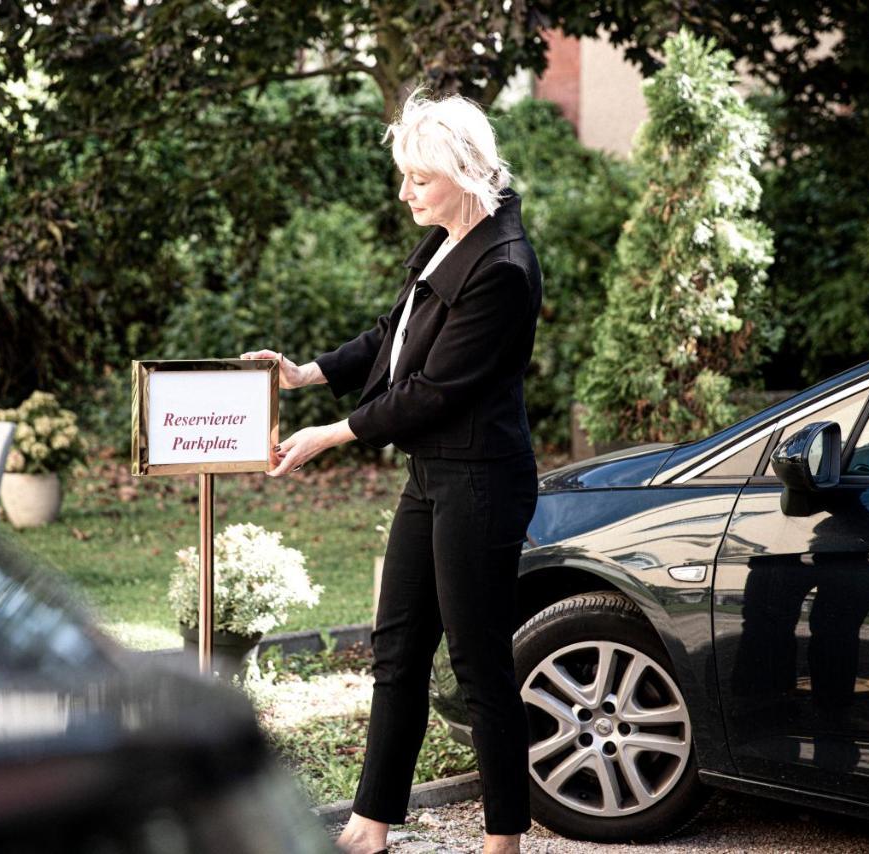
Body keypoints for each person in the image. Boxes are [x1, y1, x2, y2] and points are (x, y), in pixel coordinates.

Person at [241, 89, 542, 854]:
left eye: (419, 178)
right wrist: (307, 373)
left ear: (467, 173)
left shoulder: (502, 266)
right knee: (396, 650)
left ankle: (504, 838)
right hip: (432, 478)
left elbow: (433, 388)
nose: (404, 192)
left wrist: (331, 434)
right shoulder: (449, 236)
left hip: (480, 481)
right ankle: (371, 823)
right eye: (404, 175)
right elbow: (395, 333)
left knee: (479, 666)